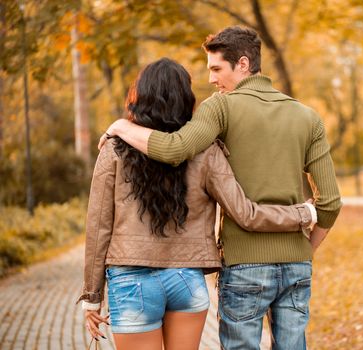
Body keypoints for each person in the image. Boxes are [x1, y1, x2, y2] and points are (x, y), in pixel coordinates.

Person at [99, 26, 342, 349]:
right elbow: (331, 203)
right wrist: (303, 252)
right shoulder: (308, 117)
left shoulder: (220, 107)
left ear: (243, 64)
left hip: (245, 264)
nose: (212, 80)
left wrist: (121, 126)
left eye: (216, 69)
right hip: (296, 263)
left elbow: (174, 149)